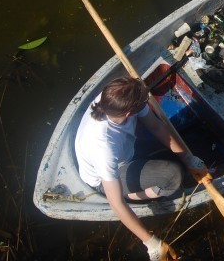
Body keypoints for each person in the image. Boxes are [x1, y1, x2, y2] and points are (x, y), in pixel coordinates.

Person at [74, 76, 209, 261]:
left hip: (126, 152)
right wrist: (152, 242)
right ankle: (132, 194)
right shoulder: (102, 146)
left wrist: (188, 159)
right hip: (104, 180)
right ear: (129, 112)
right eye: (145, 100)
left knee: (181, 149)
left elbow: (155, 126)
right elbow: (116, 204)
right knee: (172, 177)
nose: (148, 99)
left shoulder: (116, 98)